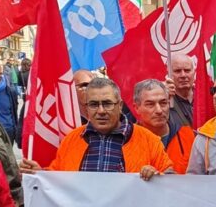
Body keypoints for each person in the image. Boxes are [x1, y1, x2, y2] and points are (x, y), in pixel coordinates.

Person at [20, 77, 172, 180]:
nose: (101, 111)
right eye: (93, 104)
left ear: (119, 106)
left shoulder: (148, 140)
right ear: (86, 109)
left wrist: (157, 176)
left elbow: (173, 181)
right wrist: (40, 175)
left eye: (107, 103)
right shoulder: (71, 140)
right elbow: (59, 179)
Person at [133, 79, 195, 174]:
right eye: (150, 104)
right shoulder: (127, 139)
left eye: (163, 103)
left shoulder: (189, 136)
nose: (159, 110)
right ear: (137, 108)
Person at [167, 53, 195, 127]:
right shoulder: (165, 101)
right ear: (169, 73)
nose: (183, 75)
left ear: (194, 72)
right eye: (177, 71)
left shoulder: (205, 96)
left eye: (187, 70)